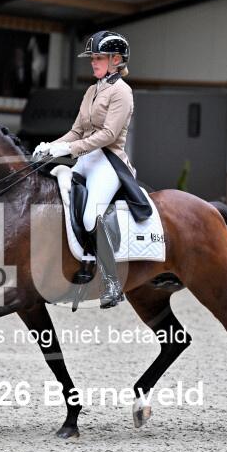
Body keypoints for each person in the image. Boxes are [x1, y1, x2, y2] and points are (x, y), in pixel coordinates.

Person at [33, 30, 138, 309]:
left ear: (116, 60)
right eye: (92, 58)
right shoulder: (92, 90)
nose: (93, 62)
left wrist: (69, 149)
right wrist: (52, 146)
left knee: (91, 216)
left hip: (109, 162)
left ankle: (112, 282)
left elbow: (108, 134)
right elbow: (77, 130)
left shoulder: (122, 92)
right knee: (57, 200)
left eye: (98, 58)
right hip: (86, 160)